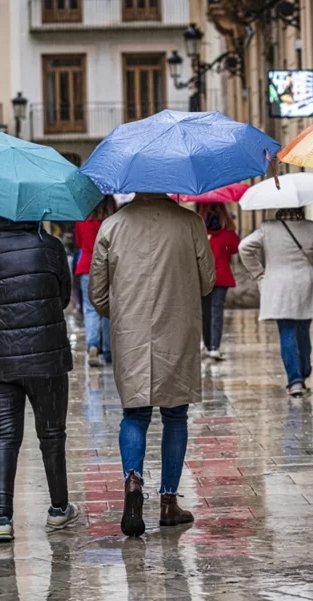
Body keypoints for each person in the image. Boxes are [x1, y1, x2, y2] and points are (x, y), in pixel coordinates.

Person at [89, 193, 215, 537]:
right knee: (175, 416)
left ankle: (133, 483)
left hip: (129, 332)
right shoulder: (190, 223)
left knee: (135, 414)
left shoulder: (111, 226)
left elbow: (97, 293)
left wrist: (124, 314)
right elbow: (208, 281)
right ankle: (168, 502)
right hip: (177, 328)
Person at [0, 212, 78, 542]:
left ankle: (2, 517)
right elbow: (64, 297)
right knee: (51, 435)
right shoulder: (49, 246)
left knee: (5, 436)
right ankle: (58, 508)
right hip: (47, 358)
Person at [239, 208, 313, 397]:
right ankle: (304, 371)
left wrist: (258, 272)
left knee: (287, 332)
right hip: (305, 285)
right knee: (303, 332)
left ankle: (295, 380)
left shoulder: (267, 228)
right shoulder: (312, 227)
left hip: (279, 287)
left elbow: (244, 247)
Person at [74, 196, 116, 367]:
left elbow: (79, 242)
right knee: (107, 308)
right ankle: (108, 350)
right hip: (106, 267)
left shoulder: (82, 219)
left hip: (86, 266)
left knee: (90, 308)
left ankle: (92, 345)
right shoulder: (112, 221)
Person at [197, 203, 240, 360]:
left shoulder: (198, 230)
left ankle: (206, 343)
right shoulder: (227, 231)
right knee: (217, 311)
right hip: (221, 275)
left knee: (205, 311)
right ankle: (215, 346)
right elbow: (235, 248)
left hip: (202, 276)